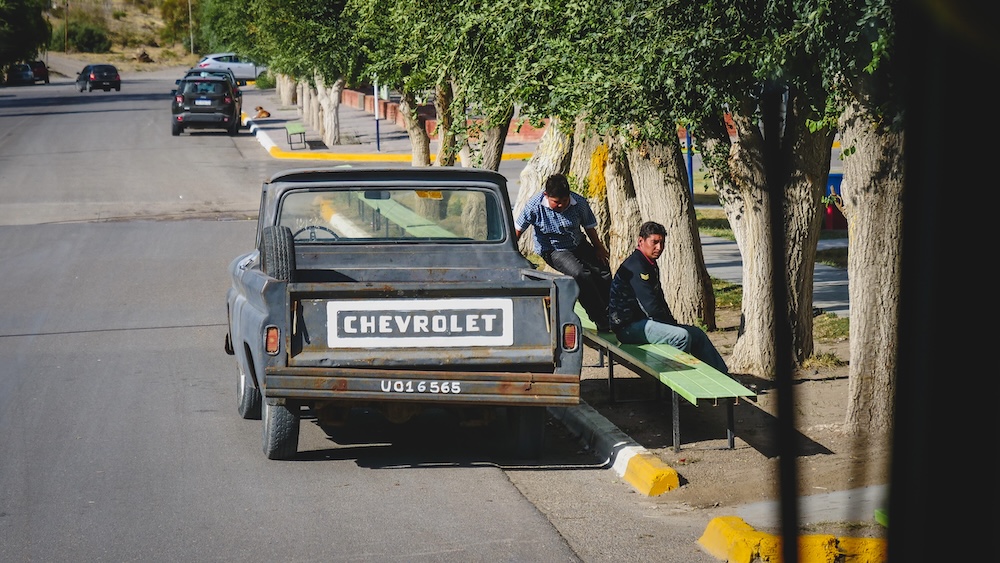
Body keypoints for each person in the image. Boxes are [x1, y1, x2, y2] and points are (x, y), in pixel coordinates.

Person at [608, 221, 729, 374]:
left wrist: (671, 323)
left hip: (643, 323)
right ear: (641, 241)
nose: (659, 247)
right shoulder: (636, 265)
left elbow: (659, 300)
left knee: (697, 334)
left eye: (662, 243)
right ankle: (678, 387)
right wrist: (672, 327)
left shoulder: (649, 263)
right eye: (655, 242)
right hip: (628, 327)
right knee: (681, 336)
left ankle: (724, 377)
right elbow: (650, 306)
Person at [515, 173, 612, 331]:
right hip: (553, 249)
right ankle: (600, 318)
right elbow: (518, 230)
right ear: (547, 196)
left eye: (565, 201)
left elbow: (589, 227)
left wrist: (598, 248)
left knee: (602, 271)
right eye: (557, 202)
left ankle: (612, 312)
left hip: (577, 243)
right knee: (580, 274)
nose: (562, 205)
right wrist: (512, 253)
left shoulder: (579, 202)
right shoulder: (534, 206)